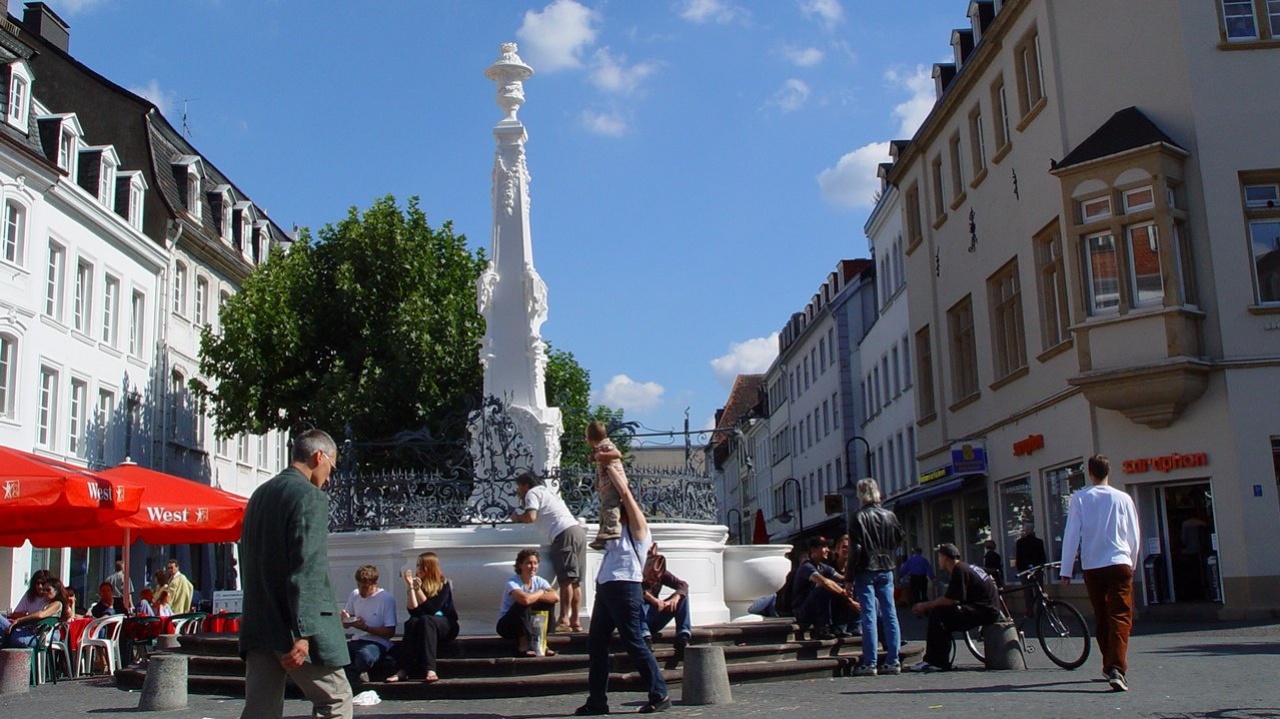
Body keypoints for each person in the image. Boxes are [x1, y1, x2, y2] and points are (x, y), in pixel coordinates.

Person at [238, 428, 353, 719]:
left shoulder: (259, 495)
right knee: (336, 700)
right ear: (319, 456)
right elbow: (307, 568)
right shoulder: (309, 497)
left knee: (259, 712)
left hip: (259, 625)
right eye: (332, 467)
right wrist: (304, 633)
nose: (329, 477)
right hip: (293, 627)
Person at [576, 447, 669, 716]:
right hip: (607, 585)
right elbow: (606, 496)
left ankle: (659, 693)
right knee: (596, 644)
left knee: (633, 641)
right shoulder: (614, 528)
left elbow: (625, 493)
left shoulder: (639, 528)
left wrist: (612, 469)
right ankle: (597, 701)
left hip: (626, 585)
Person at [1060, 455, 1140, 693]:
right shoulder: (1123, 498)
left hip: (1093, 565)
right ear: (1109, 471)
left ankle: (1110, 666)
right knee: (1120, 615)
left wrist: (1066, 569)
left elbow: (1072, 534)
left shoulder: (1080, 498)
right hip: (1119, 563)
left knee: (1102, 615)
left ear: (1090, 473)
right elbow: (1133, 534)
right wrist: (1132, 563)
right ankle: (1115, 667)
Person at [510, 471, 587, 632]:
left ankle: (564, 620)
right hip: (577, 532)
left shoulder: (532, 493)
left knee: (566, 579)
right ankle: (575, 621)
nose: (518, 491)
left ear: (525, 485)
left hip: (563, 535)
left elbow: (531, 517)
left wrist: (517, 518)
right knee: (575, 581)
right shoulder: (548, 493)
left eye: (519, 487)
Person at [907, 543, 1001, 672]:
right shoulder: (966, 567)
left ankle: (935, 661)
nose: (938, 560)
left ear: (946, 558)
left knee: (939, 615)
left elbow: (950, 600)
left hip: (984, 611)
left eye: (939, 557)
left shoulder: (959, 570)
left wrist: (925, 605)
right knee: (944, 614)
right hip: (988, 608)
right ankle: (940, 658)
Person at [847, 478, 905, 677]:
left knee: (869, 615)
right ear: (877, 492)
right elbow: (899, 537)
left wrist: (849, 576)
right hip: (886, 566)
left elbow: (855, 549)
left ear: (860, 494)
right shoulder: (890, 515)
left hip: (866, 569)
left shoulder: (858, 517)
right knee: (890, 613)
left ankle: (870, 662)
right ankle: (893, 660)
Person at [390, 552, 459, 683]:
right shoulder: (417, 584)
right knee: (411, 622)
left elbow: (432, 609)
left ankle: (430, 668)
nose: (418, 569)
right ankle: (403, 669)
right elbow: (413, 611)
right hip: (424, 623)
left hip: (446, 624)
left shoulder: (443, 584)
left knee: (427, 620)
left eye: (421, 566)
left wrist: (419, 591)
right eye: (417, 565)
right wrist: (411, 587)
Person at [339, 565, 397, 687]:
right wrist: (345, 619)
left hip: (377, 642)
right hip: (357, 639)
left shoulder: (386, 599)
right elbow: (347, 623)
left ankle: (350, 677)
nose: (361, 590)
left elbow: (390, 632)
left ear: (374, 583)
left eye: (365, 587)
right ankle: (354, 675)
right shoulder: (355, 595)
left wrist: (365, 628)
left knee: (365, 656)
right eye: (359, 586)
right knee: (338, 652)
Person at [496, 548, 559, 657]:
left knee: (548, 603)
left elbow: (555, 597)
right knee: (522, 604)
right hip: (508, 625)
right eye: (529, 563)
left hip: (531, 623)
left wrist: (534, 597)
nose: (533, 567)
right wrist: (540, 592)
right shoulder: (512, 582)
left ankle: (543, 642)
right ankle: (523, 644)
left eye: (535, 563)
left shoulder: (540, 580)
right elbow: (524, 600)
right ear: (520, 565)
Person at [791, 536, 857, 640]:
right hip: (802, 612)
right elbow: (825, 582)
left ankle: (841, 627)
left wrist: (850, 582)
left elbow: (842, 578)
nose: (827, 550)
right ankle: (822, 627)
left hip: (815, 609)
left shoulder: (823, 566)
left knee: (846, 585)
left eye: (828, 547)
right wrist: (848, 598)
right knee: (823, 589)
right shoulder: (806, 567)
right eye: (824, 547)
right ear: (813, 550)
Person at [640, 543, 692, 656]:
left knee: (682, 597)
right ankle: (645, 638)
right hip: (638, 619)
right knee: (637, 603)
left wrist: (676, 597)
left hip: (654, 615)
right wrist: (653, 600)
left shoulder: (659, 571)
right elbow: (633, 590)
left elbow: (682, 584)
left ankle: (682, 637)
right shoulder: (632, 571)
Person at [586, 420, 628, 550]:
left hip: (614, 481)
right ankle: (602, 535)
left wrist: (601, 455)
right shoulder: (598, 448)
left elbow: (617, 454)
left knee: (610, 506)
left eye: (586, 437)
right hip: (606, 483)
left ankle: (613, 529)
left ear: (591, 438)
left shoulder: (606, 445)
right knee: (604, 510)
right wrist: (594, 457)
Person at [1, 577, 67, 647]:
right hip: (36, 635)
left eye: (48, 590)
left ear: (57, 591)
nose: (45, 592)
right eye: (44, 590)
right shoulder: (46, 603)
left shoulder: (57, 604)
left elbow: (40, 615)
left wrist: (18, 620)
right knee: (2, 635)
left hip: (44, 637)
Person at [1014, 525, 1047, 616]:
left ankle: (1029, 612)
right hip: (1037, 569)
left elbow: (1018, 557)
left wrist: (1020, 569)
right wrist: (1041, 567)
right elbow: (1043, 557)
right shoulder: (1039, 542)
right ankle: (1040, 611)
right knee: (1039, 591)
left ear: (1025, 531)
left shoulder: (1020, 542)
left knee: (1027, 592)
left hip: (1024, 570)